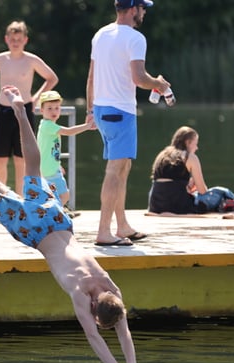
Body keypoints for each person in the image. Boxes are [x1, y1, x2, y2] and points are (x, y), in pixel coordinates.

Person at [0, 86, 141, 363]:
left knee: (33, 168)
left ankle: (20, 112)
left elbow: (123, 329)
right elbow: (95, 337)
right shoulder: (80, 292)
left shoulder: (109, 285)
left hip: (59, 221)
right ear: (94, 309)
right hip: (36, 233)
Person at [86, 0, 171, 246]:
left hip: (102, 109)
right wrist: (160, 84)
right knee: (115, 170)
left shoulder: (100, 34)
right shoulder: (136, 38)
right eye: (143, 8)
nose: (144, 12)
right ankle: (104, 232)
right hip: (120, 111)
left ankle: (121, 226)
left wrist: (90, 109)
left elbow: (91, 75)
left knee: (123, 167)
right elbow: (139, 78)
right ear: (133, 9)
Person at [0, 20, 58, 196]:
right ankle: (0, 196)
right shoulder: (0, 59)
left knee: (21, 158)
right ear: (6, 39)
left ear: (25, 40)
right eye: (12, 39)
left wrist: (37, 98)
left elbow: (52, 78)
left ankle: (22, 197)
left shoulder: (31, 60)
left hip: (24, 110)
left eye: (19, 39)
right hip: (4, 109)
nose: (15, 42)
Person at [146, 126, 234, 215]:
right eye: (195, 144)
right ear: (188, 142)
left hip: (155, 205)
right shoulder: (190, 157)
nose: (197, 148)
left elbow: (169, 184)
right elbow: (202, 191)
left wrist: (188, 186)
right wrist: (195, 184)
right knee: (219, 192)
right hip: (178, 206)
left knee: (196, 195)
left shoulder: (162, 155)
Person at [35, 90, 95, 208]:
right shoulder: (48, 125)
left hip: (49, 168)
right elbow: (68, 131)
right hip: (49, 171)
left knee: (52, 196)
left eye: (57, 108)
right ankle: (52, 213)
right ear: (41, 110)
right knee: (65, 196)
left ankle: (50, 212)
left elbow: (49, 150)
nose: (54, 111)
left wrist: (57, 165)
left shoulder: (45, 125)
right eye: (49, 108)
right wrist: (87, 126)